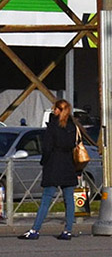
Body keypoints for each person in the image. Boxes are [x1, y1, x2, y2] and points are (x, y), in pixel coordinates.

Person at [20, 99, 82, 241]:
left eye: (55, 109)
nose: (53, 111)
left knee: (46, 198)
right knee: (69, 199)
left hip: (53, 164)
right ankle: (68, 230)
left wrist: (44, 161)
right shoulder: (72, 126)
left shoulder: (52, 126)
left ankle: (35, 229)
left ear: (59, 110)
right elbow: (74, 145)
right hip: (68, 164)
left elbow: (47, 148)